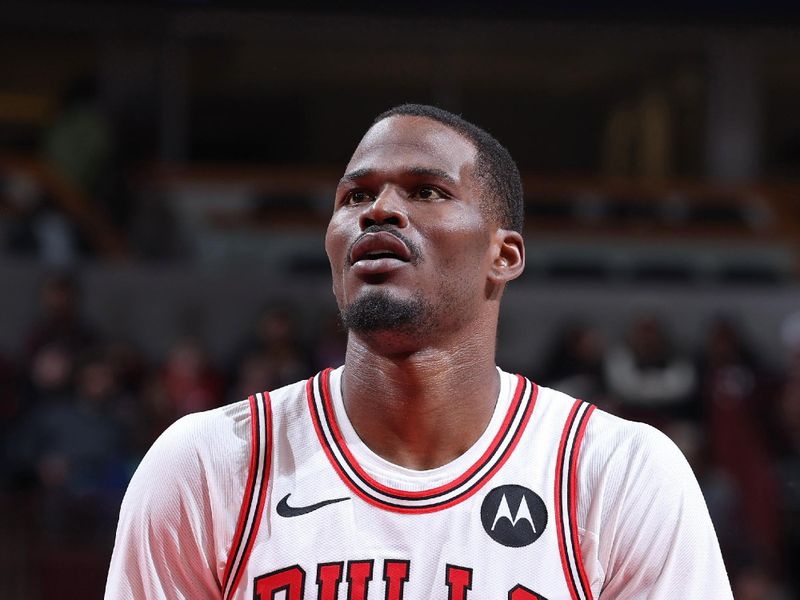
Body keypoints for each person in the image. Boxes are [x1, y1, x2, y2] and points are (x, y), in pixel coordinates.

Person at [106, 104, 732, 599]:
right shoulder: (206, 467)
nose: (379, 209)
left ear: (503, 255)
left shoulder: (617, 476)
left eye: (426, 191)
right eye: (354, 196)